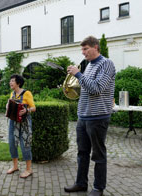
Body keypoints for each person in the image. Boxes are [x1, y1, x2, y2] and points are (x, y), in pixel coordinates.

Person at [64, 36, 116, 196]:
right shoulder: (89, 66)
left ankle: (98, 188)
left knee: (98, 155)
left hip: (98, 116)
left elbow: (97, 88)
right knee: (82, 153)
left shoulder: (106, 64)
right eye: (82, 49)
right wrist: (72, 86)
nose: (83, 52)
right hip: (83, 116)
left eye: (86, 49)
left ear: (95, 47)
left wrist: (78, 74)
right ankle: (81, 184)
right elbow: (85, 89)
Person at [6, 74, 36, 178]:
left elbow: (33, 108)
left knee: (25, 145)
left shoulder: (27, 93)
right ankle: (15, 166)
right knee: (12, 144)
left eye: (12, 81)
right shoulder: (12, 94)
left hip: (25, 124)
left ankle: (28, 169)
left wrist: (26, 110)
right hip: (13, 122)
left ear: (18, 83)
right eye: (10, 81)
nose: (10, 82)